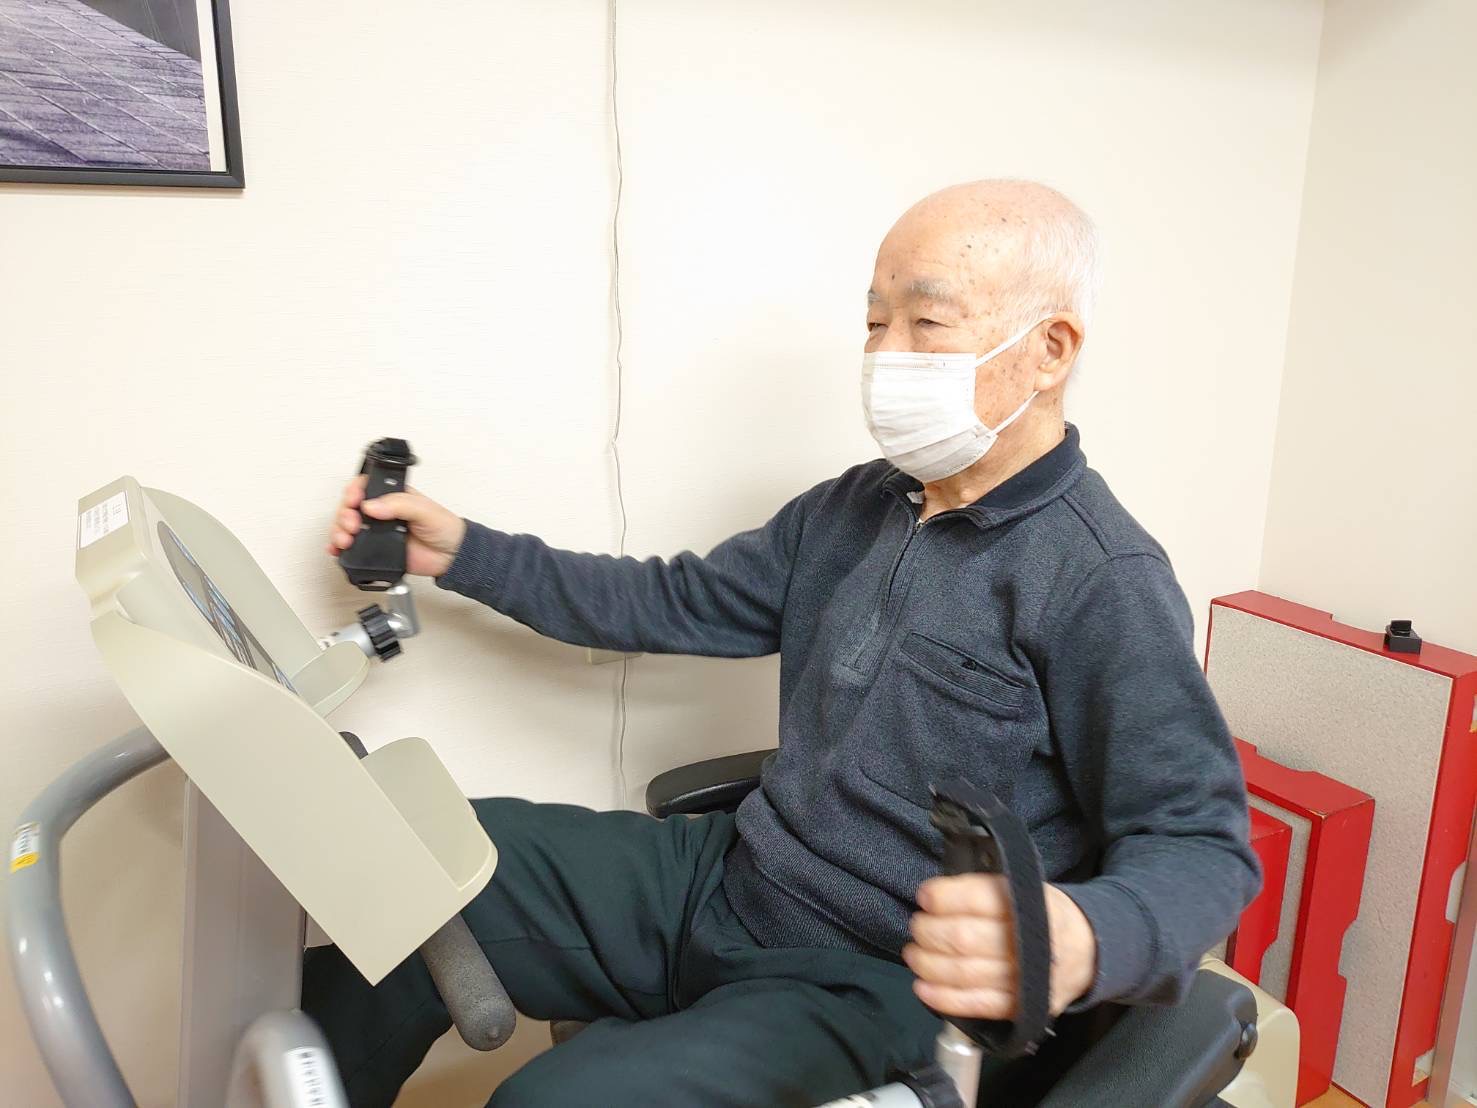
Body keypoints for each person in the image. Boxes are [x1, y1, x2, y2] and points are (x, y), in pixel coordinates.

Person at [304, 179, 1259, 1107]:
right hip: (735, 877)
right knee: (410, 865)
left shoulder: (1100, 576)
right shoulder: (858, 506)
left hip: (879, 973)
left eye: (926, 322)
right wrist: (461, 552)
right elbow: (666, 601)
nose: (887, 354)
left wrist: (1085, 933)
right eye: (875, 322)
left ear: (1048, 349)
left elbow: (1201, 844)